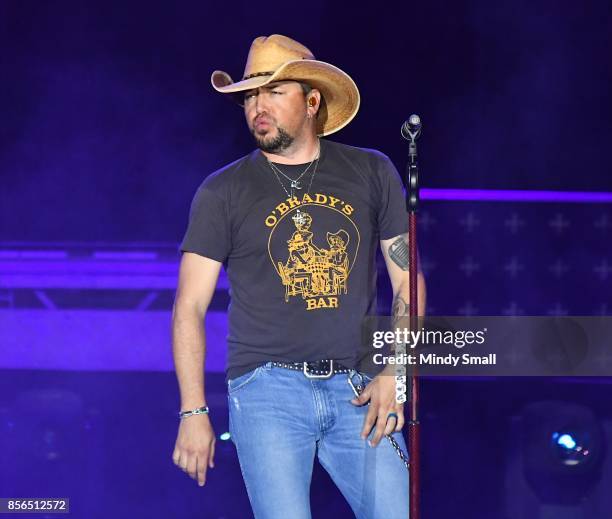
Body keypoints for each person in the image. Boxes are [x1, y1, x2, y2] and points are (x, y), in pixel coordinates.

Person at [171, 34, 426, 519]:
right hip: (266, 391)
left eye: (272, 92)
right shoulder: (223, 190)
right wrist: (193, 410)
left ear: (312, 100)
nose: (256, 107)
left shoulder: (371, 171)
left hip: (359, 385)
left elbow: (407, 281)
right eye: (249, 96)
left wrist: (396, 372)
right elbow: (189, 306)